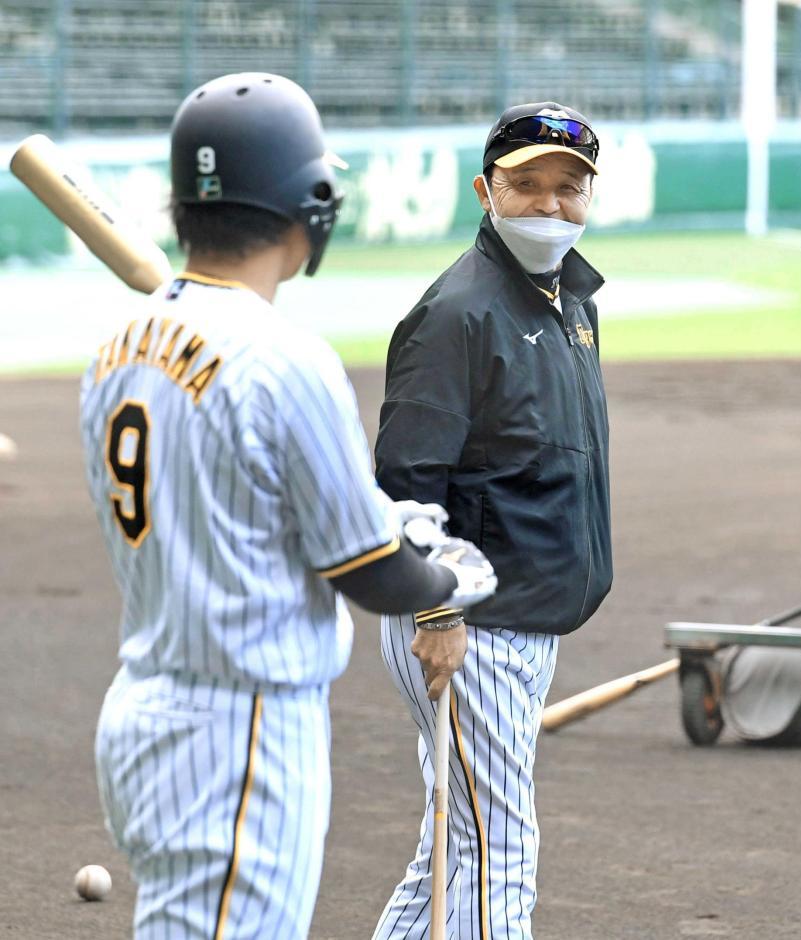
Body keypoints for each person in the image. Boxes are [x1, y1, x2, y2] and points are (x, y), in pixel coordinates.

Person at [78, 72, 496, 939]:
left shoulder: (117, 345)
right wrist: (441, 574)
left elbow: (245, 506)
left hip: (145, 713)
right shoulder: (286, 359)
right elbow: (365, 570)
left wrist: (389, 537)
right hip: (242, 729)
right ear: (312, 206)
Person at [373, 102, 612, 939]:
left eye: (567, 188)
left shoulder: (570, 300)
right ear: (486, 190)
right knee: (498, 851)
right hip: (472, 618)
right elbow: (406, 480)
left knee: (457, 845)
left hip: (525, 619)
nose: (549, 204)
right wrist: (438, 610)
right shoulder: (458, 313)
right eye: (527, 185)